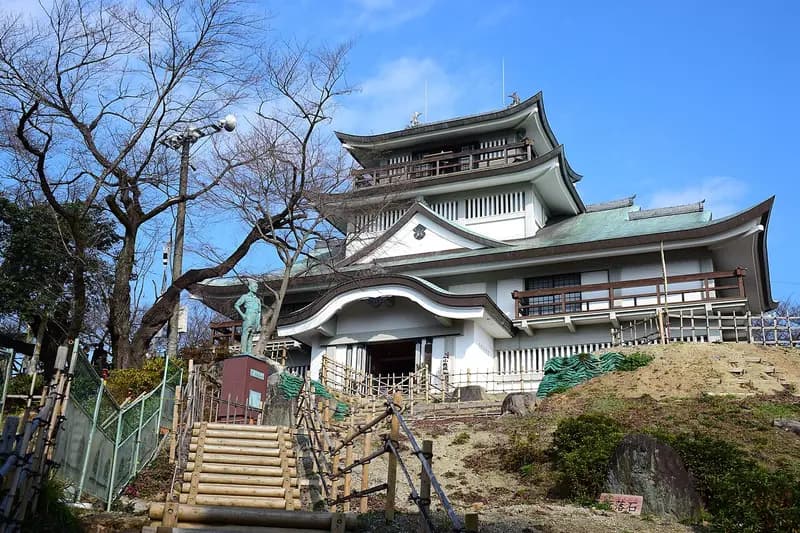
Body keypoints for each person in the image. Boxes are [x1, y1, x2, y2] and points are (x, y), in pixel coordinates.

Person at [234, 279, 262, 355]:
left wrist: (258, 323)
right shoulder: (245, 297)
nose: (256, 288)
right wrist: (242, 315)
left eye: (257, 287)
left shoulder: (258, 300)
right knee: (245, 333)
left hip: (255, 317)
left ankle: (249, 351)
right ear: (250, 287)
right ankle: (243, 350)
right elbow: (236, 305)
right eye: (255, 286)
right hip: (248, 315)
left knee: (251, 335)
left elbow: (259, 312)